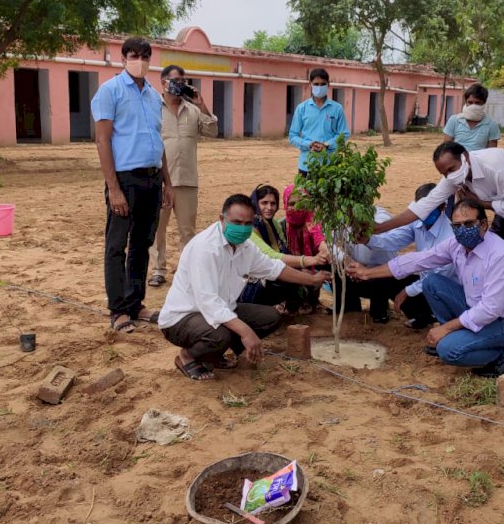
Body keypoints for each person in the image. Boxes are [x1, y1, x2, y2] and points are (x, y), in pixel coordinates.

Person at [348, 199, 504, 377]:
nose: (463, 229)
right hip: (472, 307)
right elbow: (418, 260)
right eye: (457, 226)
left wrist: (447, 328)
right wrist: (367, 273)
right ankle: (459, 336)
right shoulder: (456, 245)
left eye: (469, 223)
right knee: (432, 282)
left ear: (483, 225)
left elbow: (490, 310)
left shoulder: (500, 255)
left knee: (448, 350)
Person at [158, 194, 330, 380]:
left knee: (270, 317)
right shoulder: (205, 249)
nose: (242, 228)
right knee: (220, 334)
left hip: (223, 308)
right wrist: (246, 332)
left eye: (247, 223)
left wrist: (311, 280)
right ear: (222, 219)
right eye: (236, 222)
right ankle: (187, 357)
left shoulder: (245, 246)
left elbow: (274, 268)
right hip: (184, 317)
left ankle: (214, 355)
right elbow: (209, 303)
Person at [372, 142, 504, 299]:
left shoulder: (497, 167)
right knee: (490, 251)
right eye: (444, 173)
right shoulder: (453, 177)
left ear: (464, 157)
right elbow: (423, 207)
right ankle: (487, 300)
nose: (450, 176)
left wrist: (481, 203)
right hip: (502, 202)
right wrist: (380, 228)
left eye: (451, 169)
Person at [91, 36, 174, 333]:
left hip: (152, 179)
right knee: (117, 246)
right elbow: (102, 140)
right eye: (133, 55)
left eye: (144, 55)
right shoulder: (109, 92)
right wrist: (113, 188)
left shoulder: (153, 96)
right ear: (123, 58)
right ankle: (118, 310)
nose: (139, 60)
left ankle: (136, 303)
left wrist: (167, 182)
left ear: (150, 60)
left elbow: (158, 141)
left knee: (142, 244)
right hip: (124, 179)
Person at [148, 65, 218, 287]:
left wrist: (201, 104)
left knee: (187, 230)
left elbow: (212, 131)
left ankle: (186, 271)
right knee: (157, 229)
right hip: (159, 181)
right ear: (164, 82)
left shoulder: (193, 110)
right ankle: (158, 270)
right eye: (175, 80)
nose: (179, 84)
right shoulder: (152, 108)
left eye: (183, 80)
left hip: (187, 180)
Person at [364, 183, 457, 329]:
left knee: (428, 283)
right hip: (425, 280)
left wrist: (407, 291)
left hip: (445, 288)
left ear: (442, 207)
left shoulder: (449, 235)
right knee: (383, 278)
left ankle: (438, 316)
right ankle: (418, 316)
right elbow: (393, 240)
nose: (425, 213)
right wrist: (368, 239)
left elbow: (439, 277)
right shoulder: (416, 223)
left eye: (430, 209)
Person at [241, 184, 328, 312]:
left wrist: (303, 266)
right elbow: (271, 256)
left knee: (302, 272)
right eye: (264, 203)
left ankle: (299, 307)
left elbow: (282, 251)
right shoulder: (251, 227)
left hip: (272, 269)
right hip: (252, 283)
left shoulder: (273, 223)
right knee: (294, 278)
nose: (269, 208)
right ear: (255, 203)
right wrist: (309, 261)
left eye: (273, 203)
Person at [288, 67, 350, 174]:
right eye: (316, 84)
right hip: (306, 165)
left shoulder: (337, 108)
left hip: (330, 165)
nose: (319, 87)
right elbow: (292, 136)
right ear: (310, 84)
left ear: (328, 84)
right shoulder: (302, 108)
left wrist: (327, 144)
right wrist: (308, 144)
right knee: (305, 191)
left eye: (322, 84)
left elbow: (343, 134)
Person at [281, 184, 330, 312]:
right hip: (290, 266)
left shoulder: (313, 224)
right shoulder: (280, 227)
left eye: (302, 203)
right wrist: (300, 267)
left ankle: (314, 301)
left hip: (314, 264)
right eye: (292, 203)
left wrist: (324, 250)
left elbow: (319, 239)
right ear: (285, 204)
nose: (297, 208)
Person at [442, 82, 500, 151]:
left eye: (477, 103)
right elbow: (447, 149)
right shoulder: (454, 120)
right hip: (458, 161)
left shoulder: (491, 125)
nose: (473, 106)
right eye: (470, 102)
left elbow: (491, 153)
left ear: (484, 103)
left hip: (479, 161)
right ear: (466, 102)